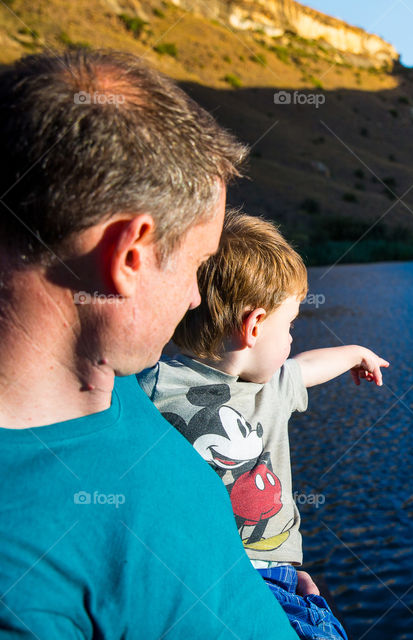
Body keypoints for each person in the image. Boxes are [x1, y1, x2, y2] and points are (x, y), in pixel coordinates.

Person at [0, 49, 297, 638]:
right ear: (128, 257)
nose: (194, 298)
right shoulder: (23, 577)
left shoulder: (113, 381)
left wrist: (256, 586)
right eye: (197, 264)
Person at [137, 212, 389, 640]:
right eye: (289, 326)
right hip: (260, 581)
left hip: (190, 584)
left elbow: (305, 368)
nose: (292, 340)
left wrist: (354, 352)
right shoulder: (256, 389)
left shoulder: (151, 385)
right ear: (254, 326)